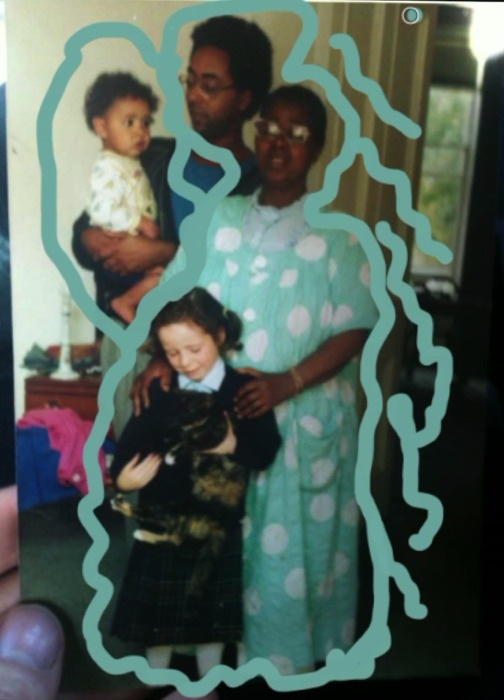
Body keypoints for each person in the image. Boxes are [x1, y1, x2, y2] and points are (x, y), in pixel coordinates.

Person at [138, 84, 380, 674]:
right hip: (221, 414)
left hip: (302, 418)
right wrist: (160, 358)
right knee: (220, 534)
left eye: (297, 134)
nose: (278, 143)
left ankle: (286, 654)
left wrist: (285, 383)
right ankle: (214, 653)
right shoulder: (221, 218)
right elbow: (179, 297)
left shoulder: (342, 234)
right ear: (255, 133)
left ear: (316, 147)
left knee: (291, 544)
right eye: (269, 128)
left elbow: (356, 327)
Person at [72, 14, 273, 439]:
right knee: (134, 467)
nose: (194, 95)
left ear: (244, 98)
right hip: (133, 343)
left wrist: (164, 252)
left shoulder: (259, 185)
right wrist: (91, 238)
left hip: (213, 357)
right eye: (190, 80)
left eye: (210, 86)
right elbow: (86, 230)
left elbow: (246, 280)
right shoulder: (152, 157)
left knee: (203, 470)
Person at [107, 288, 281, 678]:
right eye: (172, 353)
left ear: (219, 335)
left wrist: (234, 445)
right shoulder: (160, 390)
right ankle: (156, 683)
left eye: (194, 349)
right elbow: (131, 443)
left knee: (210, 625)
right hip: (162, 524)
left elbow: (265, 450)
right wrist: (124, 479)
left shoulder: (242, 390)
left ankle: (208, 686)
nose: (185, 362)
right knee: (157, 627)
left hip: (215, 525)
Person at [83, 71, 163, 324]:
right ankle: (124, 302)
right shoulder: (108, 166)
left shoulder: (128, 161)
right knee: (162, 277)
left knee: (164, 278)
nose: (140, 131)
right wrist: (139, 222)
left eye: (145, 122)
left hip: (135, 250)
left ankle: (132, 307)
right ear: (102, 127)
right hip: (120, 255)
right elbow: (101, 211)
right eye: (129, 122)